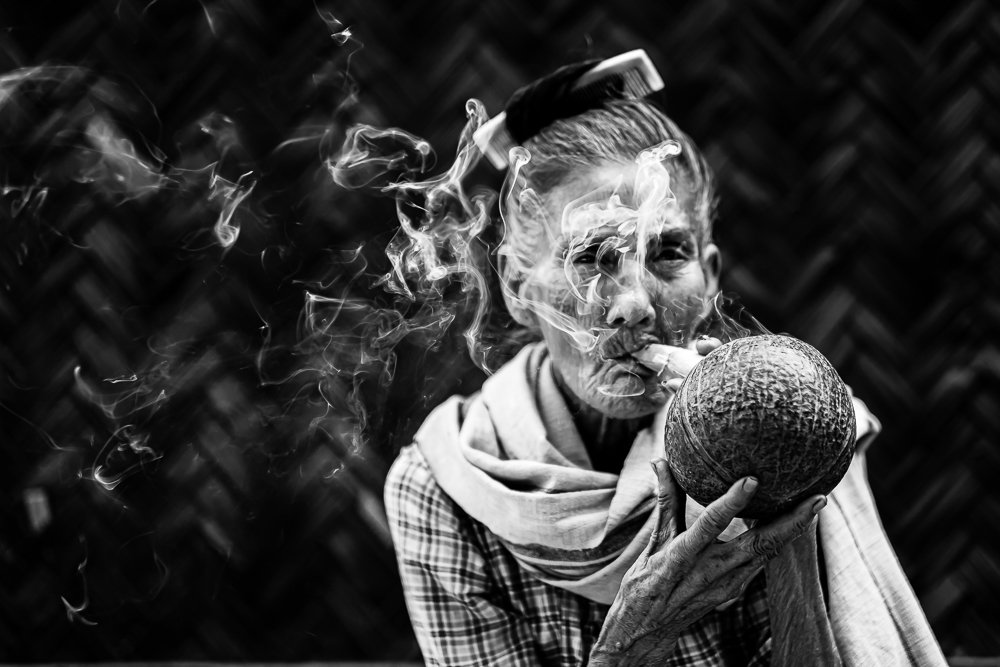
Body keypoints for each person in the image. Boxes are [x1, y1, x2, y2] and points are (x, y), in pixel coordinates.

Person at [382, 51, 947, 666]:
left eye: (668, 253)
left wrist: (787, 509)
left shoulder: (791, 423)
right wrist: (632, 644)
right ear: (520, 290)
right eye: (593, 255)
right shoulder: (448, 485)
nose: (633, 305)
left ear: (708, 277)